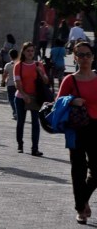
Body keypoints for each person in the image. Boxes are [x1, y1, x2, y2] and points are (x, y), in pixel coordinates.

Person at [56, 41, 97, 224]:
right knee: (78, 170)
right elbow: (58, 104)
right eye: (80, 55)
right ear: (75, 57)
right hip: (77, 128)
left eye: (88, 54)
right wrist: (72, 101)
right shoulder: (70, 79)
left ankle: (82, 201)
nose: (84, 58)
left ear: (93, 57)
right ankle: (81, 209)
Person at [13, 41, 49, 156]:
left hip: (35, 97)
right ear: (23, 52)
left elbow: (46, 81)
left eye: (32, 51)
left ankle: (35, 148)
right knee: (21, 122)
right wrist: (24, 95)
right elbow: (17, 82)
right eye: (28, 50)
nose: (30, 53)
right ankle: (20, 145)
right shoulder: (18, 65)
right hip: (21, 97)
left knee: (35, 123)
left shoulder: (38, 64)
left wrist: (40, 73)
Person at [1, 49, 19, 120]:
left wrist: (2, 81)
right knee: (17, 99)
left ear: (10, 56)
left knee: (11, 99)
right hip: (18, 84)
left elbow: (4, 74)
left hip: (10, 84)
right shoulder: (20, 64)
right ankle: (17, 112)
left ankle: (15, 112)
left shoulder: (8, 65)